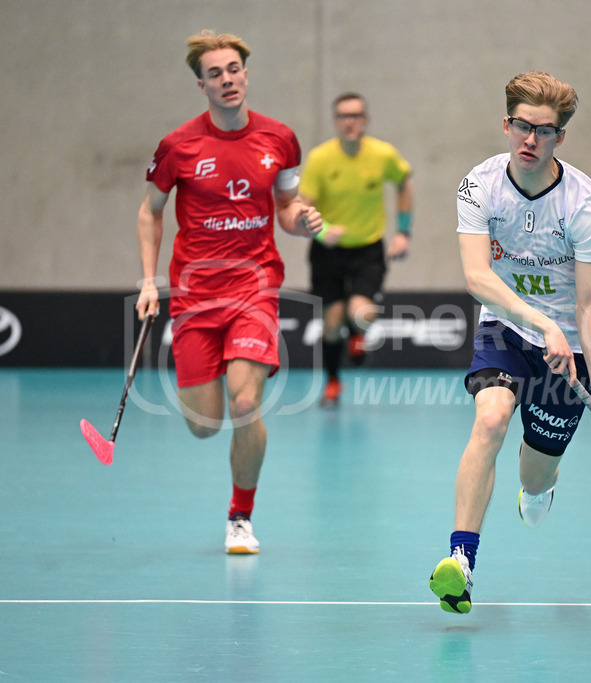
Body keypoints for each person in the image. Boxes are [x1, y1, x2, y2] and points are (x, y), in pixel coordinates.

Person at [428, 71, 591, 614]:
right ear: (506, 124)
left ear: (561, 136)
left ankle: (539, 488)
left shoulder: (586, 203)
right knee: (490, 419)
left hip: (570, 346)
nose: (530, 139)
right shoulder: (480, 185)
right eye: (522, 125)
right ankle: (461, 561)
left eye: (545, 130)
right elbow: (477, 277)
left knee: (534, 475)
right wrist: (539, 323)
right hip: (508, 327)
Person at [135, 30, 322, 554]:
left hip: (254, 286)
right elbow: (150, 212)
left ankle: (240, 516)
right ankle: (212, 371)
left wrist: (301, 221)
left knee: (245, 401)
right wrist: (148, 279)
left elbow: (286, 206)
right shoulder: (178, 146)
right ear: (202, 84)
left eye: (234, 69)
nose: (227, 79)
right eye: (215, 73)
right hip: (195, 294)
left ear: (246, 73)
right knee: (204, 425)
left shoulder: (279, 139)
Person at [299, 93, 413, 406]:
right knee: (331, 322)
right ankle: (333, 381)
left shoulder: (382, 154)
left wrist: (403, 232)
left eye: (356, 116)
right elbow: (303, 206)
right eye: (344, 116)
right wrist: (322, 230)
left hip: (367, 250)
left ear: (365, 120)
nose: (350, 122)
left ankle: (358, 333)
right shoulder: (320, 159)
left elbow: (404, 182)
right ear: (335, 121)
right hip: (327, 251)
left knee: (361, 314)